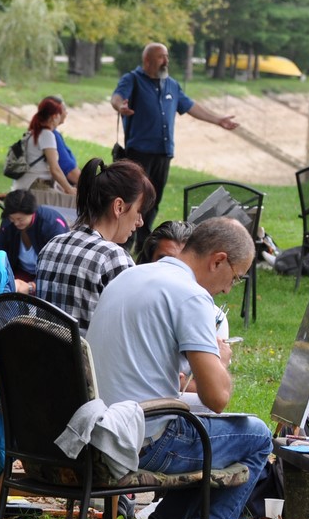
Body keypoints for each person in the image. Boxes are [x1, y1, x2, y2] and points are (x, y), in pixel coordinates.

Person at [86, 217, 272, 519]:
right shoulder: (190, 295)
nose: (229, 289)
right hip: (141, 438)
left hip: (99, 427)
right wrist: (221, 358)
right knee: (256, 436)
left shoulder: (132, 275)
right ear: (218, 260)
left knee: (207, 439)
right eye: (235, 277)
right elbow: (217, 398)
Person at [111, 42, 239, 253]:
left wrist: (218, 120)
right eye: (161, 57)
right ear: (147, 60)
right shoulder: (132, 79)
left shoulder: (172, 85)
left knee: (154, 200)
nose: (166, 61)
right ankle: (124, 242)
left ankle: (144, 244)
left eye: (167, 56)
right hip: (139, 152)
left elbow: (191, 107)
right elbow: (117, 97)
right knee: (134, 198)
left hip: (163, 153)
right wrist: (120, 106)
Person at [35, 158, 155, 337]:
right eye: (139, 211)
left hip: (45, 361)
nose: (140, 222)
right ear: (119, 207)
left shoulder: (51, 246)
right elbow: (136, 332)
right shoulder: (113, 258)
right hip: (92, 364)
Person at [0, 190, 68, 301]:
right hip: (20, 272)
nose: (16, 223)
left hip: (47, 278)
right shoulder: (8, 223)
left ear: (31, 212)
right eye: (12, 219)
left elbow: (58, 266)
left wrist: (32, 286)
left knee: (14, 292)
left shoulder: (51, 225)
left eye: (20, 219)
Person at [10, 97, 77, 195]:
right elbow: (55, 169)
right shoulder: (47, 135)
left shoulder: (32, 133)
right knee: (76, 204)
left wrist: (66, 188)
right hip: (35, 188)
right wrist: (70, 190)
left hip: (25, 186)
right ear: (54, 116)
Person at [43, 95, 81, 186]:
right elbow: (71, 172)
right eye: (64, 109)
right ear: (56, 115)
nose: (66, 113)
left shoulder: (46, 132)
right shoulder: (51, 135)